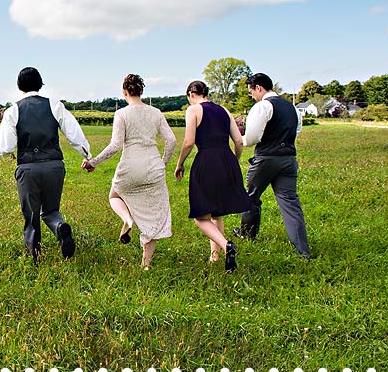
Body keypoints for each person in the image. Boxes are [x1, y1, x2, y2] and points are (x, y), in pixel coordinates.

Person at [0, 67, 91, 263]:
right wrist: (87, 155)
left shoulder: (14, 111)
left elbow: (6, 147)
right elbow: (74, 135)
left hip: (28, 169)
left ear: (19, 86)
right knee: (50, 210)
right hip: (54, 166)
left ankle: (34, 254)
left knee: (31, 215)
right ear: (40, 84)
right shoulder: (55, 106)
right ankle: (59, 227)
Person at [83, 74, 176, 270]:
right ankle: (146, 264)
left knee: (114, 195)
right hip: (153, 166)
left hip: (130, 166)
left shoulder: (122, 114)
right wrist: (163, 163)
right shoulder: (156, 112)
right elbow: (171, 140)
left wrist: (93, 162)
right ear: (141, 92)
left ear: (125, 92)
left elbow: (115, 145)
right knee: (154, 214)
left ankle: (127, 218)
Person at [174, 80, 250, 272]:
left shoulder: (193, 110)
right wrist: (234, 160)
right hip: (227, 160)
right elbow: (239, 141)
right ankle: (215, 256)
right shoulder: (224, 110)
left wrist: (180, 163)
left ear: (191, 94)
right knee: (217, 213)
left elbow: (189, 142)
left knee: (200, 216)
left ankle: (226, 246)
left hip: (206, 162)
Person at [233, 73, 310, 258]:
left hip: (266, 159)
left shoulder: (263, 107)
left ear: (258, 88)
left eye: (251, 91)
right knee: (290, 202)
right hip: (289, 159)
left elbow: (251, 139)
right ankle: (303, 250)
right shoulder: (292, 108)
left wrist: (238, 138)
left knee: (251, 197)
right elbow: (296, 131)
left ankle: (247, 234)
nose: (252, 95)